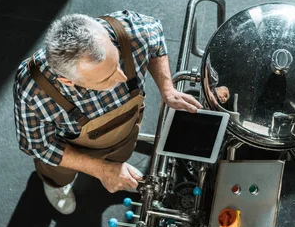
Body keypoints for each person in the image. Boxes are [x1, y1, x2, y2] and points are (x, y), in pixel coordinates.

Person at [13, 11, 202, 214]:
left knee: (121, 155)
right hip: (69, 149)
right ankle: (57, 186)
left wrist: (167, 88)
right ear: (68, 81)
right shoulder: (34, 89)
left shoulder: (130, 31)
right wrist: (101, 170)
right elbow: (38, 145)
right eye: (105, 79)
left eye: (118, 61)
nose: (122, 77)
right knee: (58, 176)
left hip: (124, 134)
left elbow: (155, 37)